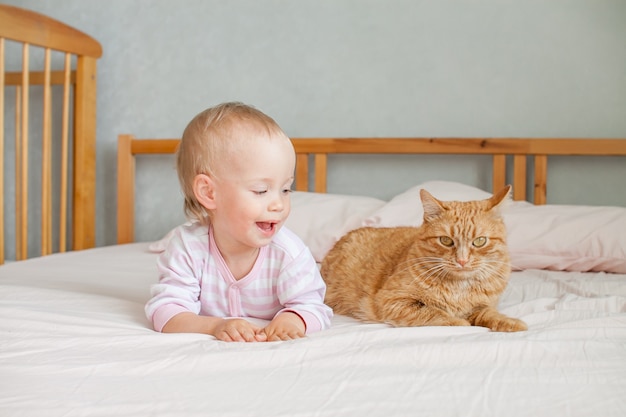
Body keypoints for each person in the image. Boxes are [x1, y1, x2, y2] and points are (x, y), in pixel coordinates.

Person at [145, 102, 333, 342]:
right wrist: (214, 326)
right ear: (209, 193)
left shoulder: (288, 254)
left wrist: (292, 319)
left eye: (286, 189)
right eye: (261, 190)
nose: (278, 204)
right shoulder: (187, 248)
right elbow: (166, 312)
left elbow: (314, 307)